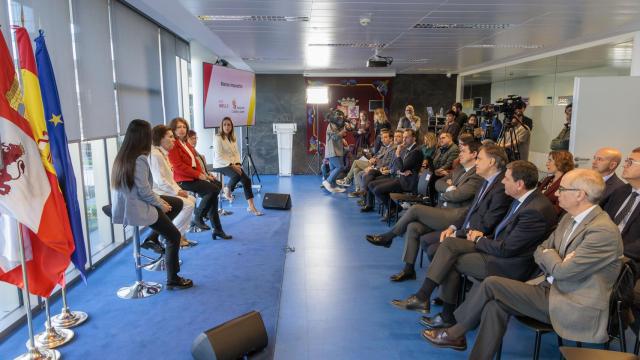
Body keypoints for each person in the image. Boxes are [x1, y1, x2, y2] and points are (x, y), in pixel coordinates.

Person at [422, 169, 622, 359]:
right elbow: (541, 249)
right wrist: (553, 256)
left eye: (563, 189)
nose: (557, 193)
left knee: (492, 283)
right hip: (548, 288)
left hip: (570, 302)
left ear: (580, 195)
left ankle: (455, 332)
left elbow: (562, 271)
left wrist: (551, 256)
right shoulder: (570, 218)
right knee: (495, 305)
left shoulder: (602, 231)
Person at [395, 161, 556, 325]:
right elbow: (503, 231)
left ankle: (441, 311)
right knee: (450, 244)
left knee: (451, 260)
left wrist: (479, 239)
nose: (502, 182)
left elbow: (507, 249)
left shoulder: (534, 210)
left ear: (520, 184)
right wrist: (480, 236)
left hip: (508, 264)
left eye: (506, 179)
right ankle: (428, 302)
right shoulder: (523, 199)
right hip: (496, 247)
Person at [365, 140, 487, 281]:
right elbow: (437, 183)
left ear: (474, 154)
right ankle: (409, 269)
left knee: (416, 209)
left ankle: (389, 237)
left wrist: (447, 191)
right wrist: (448, 187)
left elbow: (459, 195)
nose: (460, 153)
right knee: (413, 227)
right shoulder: (459, 169)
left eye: (463, 151)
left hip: (457, 216)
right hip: (443, 209)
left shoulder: (477, 175)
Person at [110, 119, 192, 290]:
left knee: (176, 203)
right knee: (174, 236)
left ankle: (152, 237)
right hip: (136, 207)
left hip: (129, 204)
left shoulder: (123, 155)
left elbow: (142, 189)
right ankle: (173, 279)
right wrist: (160, 204)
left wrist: (161, 201)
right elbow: (144, 191)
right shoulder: (140, 158)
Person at [168, 117, 231, 240]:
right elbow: (178, 166)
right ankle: (198, 216)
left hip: (192, 177)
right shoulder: (174, 144)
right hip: (182, 180)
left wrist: (206, 174)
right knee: (213, 190)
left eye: (184, 127)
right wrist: (199, 175)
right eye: (179, 127)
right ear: (173, 130)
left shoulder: (185, 143)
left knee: (216, 186)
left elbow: (196, 162)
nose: (182, 129)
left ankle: (217, 229)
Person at [149, 125, 197, 247]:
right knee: (188, 204)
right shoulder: (155, 155)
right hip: (158, 193)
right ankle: (172, 236)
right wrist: (177, 193)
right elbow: (161, 182)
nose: (174, 140)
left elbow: (170, 179)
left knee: (192, 199)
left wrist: (179, 190)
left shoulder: (162, 153)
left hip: (164, 190)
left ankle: (174, 235)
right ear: (160, 139)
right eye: (170, 137)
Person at [367, 129, 423, 220]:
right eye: (403, 137)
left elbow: (402, 167)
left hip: (407, 183)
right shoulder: (408, 149)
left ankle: (393, 208)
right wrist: (400, 170)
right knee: (371, 184)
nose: (404, 140)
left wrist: (397, 154)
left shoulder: (416, 151)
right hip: (401, 177)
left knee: (378, 190)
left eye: (406, 137)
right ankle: (393, 208)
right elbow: (400, 167)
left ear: (414, 138)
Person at [212, 117, 263, 216]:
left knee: (247, 180)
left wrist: (238, 164)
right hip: (220, 164)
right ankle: (228, 189)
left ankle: (251, 206)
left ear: (232, 126)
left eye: (229, 125)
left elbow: (236, 153)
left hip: (233, 164)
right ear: (221, 126)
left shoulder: (233, 137)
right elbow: (219, 156)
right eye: (225, 124)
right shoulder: (218, 137)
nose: (227, 127)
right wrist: (232, 165)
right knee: (236, 175)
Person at [604, 148, 640, 265]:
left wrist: (611, 253)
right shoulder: (621, 191)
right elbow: (603, 220)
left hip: (627, 258)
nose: (624, 165)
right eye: (626, 161)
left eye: (630, 162)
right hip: (603, 245)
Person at [359, 130, 402, 208]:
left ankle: (365, 196)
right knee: (367, 175)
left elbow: (397, 166)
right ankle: (367, 200)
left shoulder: (396, 148)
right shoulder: (390, 148)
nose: (396, 138)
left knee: (369, 177)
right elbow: (390, 163)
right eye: (395, 136)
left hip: (393, 175)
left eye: (398, 136)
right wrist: (383, 167)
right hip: (384, 170)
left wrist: (384, 168)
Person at [538, 150, 574, 215]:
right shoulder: (548, 179)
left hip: (547, 217)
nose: (546, 164)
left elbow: (558, 209)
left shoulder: (566, 183)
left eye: (550, 160)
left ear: (559, 162)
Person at [322, 117, 348, 194]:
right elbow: (335, 137)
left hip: (337, 150)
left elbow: (340, 134)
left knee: (333, 169)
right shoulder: (331, 125)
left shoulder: (336, 125)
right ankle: (327, 182)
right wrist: (344, 130)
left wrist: (346, 128)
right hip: (332, 151)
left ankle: (333, 186)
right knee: (339, 167)